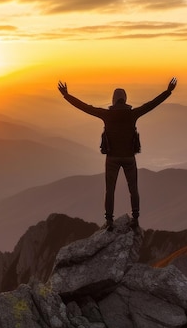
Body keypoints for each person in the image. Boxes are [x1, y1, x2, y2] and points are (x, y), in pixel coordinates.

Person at [57, 77, 177, 230]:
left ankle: (109, 222)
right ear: (125, 99)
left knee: (110, 190)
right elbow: (151, 104)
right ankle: (135, 219)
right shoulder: (133, 114)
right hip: (129, 158)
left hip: (112, 158)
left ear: (113, 100)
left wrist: (66, 95)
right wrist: (168, 91)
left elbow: (84, 107)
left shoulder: (106, 115)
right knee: (133, 189)